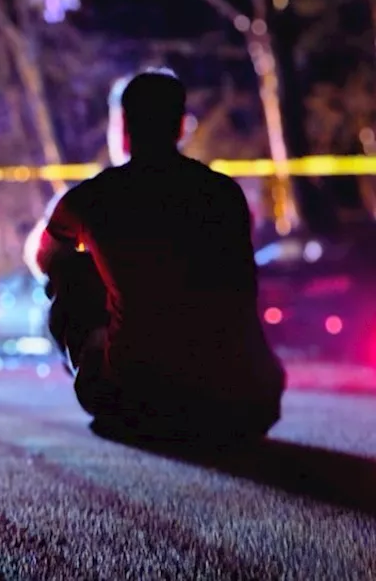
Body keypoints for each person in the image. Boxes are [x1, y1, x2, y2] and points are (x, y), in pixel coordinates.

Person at [26, 69, 285, 444]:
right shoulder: (225, 194)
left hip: (136, 400)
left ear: (123, 127)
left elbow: (43, 260)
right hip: (247, 400)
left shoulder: (94, 198)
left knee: (69, 266)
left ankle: (117, 373)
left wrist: (75, 229)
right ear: (181, 127)